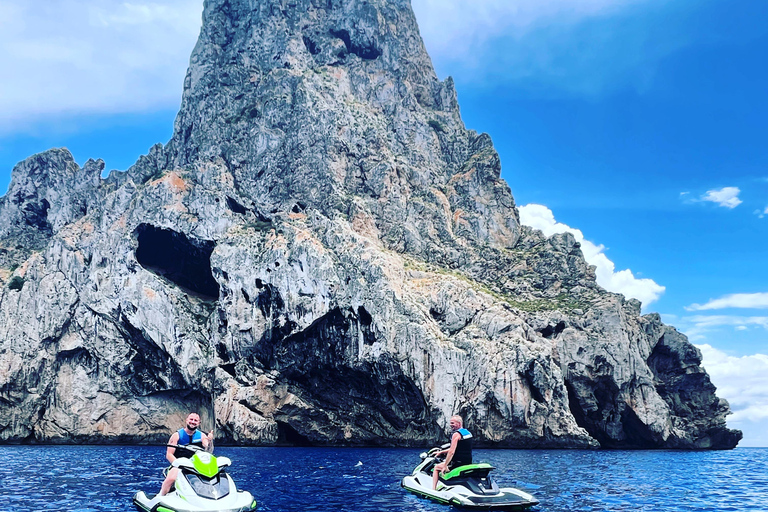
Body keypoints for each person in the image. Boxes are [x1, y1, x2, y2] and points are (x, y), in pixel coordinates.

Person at [159, 412, 215, 496]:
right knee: (171, 478)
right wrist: (179, 465)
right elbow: (169, 454)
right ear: (186, 420)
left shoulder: (202, 436)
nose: (193, 422)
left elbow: (208, 450)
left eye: (195, 420)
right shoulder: (176, 435)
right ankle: (161, 496)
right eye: (191, 419)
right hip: (179, 465)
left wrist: (210, 440)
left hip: (196, 465)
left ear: (199, 423)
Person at [432, 414, 473, 490]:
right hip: (467, 462)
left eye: (453, 423)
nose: (451, 425)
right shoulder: (468, 433)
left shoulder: (456, 434)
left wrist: (445, 466)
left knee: (436, 467)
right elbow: (459, 448)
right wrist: (441, 452)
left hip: (457, 463)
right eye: (450, 423)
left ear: (459, 423)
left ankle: (433, 489)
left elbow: (451, 452)